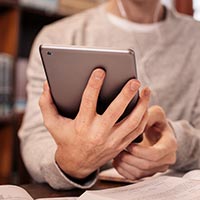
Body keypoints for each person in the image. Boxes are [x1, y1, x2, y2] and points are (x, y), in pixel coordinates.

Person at [18, 0, 200, 190]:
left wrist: (178, 144)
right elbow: (35, 140)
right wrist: (70, 163)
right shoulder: (59, 36)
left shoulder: (196, 38)